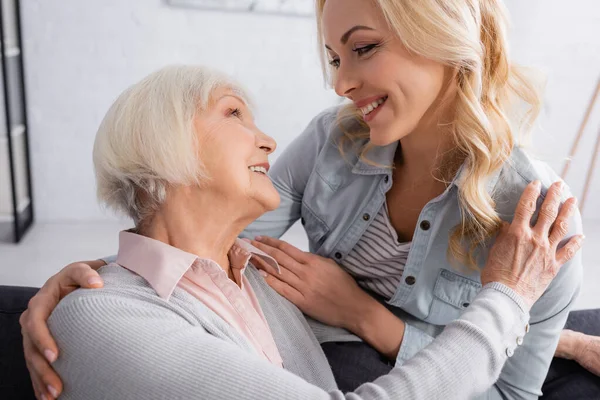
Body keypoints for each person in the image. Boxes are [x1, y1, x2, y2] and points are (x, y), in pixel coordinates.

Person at [21, 0, 597, 398]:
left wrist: (369, 316)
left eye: (363, 48)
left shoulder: (534, 228)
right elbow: (195, 248)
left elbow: (510, 392)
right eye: (334, 58)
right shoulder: (334, 141)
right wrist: (92, 280)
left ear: (441, 34)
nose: (340, 83)